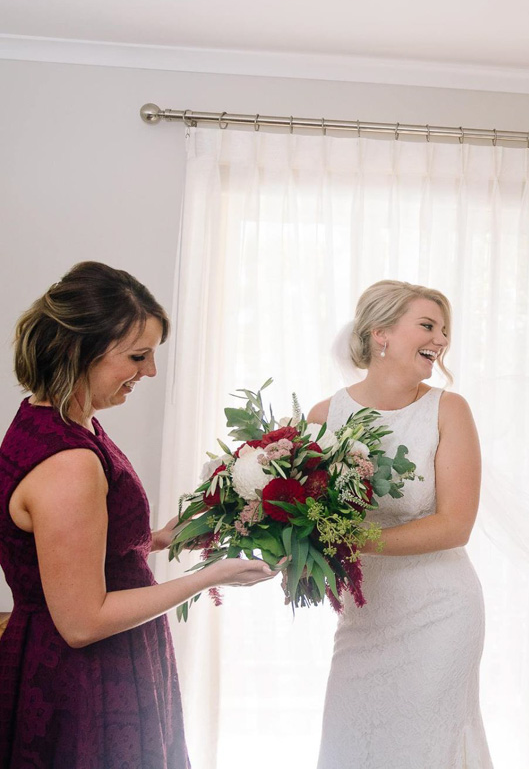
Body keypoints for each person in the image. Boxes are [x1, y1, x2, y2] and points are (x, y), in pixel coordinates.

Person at [0, 261, 279, 769]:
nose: (149, 371)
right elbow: (82, 622)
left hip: (105, 663)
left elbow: (66, 551)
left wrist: (155, 539)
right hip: (84, 681)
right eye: (137, 356)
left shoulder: (65, 423)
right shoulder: (69, 462)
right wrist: (211, 577)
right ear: (79, 349)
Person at [312, 280, 492, 768]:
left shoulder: (448, 411)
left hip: (440, 611)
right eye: (428, 326)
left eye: (444, 329)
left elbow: (455, 525)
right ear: (381, 334)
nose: (441, 340)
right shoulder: (325, 416)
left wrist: (348, 539)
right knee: (352, 740)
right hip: (364, 613)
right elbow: (301, 510)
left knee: (424, 747)